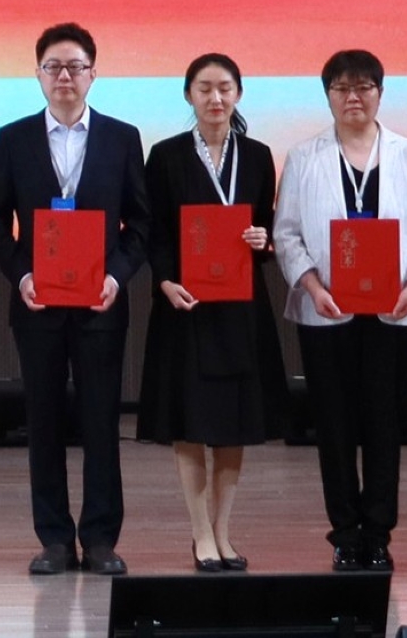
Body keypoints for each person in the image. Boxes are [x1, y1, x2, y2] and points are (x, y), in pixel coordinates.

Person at [0, 22, 151, 575]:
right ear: (37, 75)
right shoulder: (13, 138)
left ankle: (100, 539)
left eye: (75, 66)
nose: (64, 77)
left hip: (101, 304)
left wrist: (117, 277)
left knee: (102, 423)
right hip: (39, 306)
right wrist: (21, 275)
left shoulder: (122, 138)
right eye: (53, 67)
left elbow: (140, 223)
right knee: (44, 423)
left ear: (93, 74)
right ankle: (54, 539)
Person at [273, 48, 407, 574]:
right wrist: (311, 285)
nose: (354, 97)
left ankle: (378, 532)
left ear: (380, 93)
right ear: (328, 95)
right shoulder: (304, 156)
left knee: (385, 423)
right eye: (342, 88)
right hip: (327, 310)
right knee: (334, 424)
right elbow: (287, 232)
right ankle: (345, 534)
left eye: (364, 87)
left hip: (393, 310)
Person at [137, 53, 286, 574]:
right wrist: (164, 281)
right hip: (186, 305)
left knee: (233, 422)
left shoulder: (260, 156)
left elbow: (266, 225)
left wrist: (263, 239)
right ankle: (200, 532)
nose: (215, 98)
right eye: (204, 88)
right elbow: (154, 232)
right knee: (189, 422)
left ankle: (224, 530)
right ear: (189, 95)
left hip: (240, 307)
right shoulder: (165, 156)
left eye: (224, 88)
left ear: (238, 94)